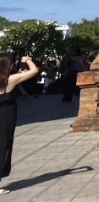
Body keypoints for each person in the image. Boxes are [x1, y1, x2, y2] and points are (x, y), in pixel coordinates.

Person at [1, 53, 40, 195]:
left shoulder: (11, 78)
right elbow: (34, 71)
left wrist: (18, 73)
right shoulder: (10, 80)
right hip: (5, 116)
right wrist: (27, 60)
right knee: (3, 145)